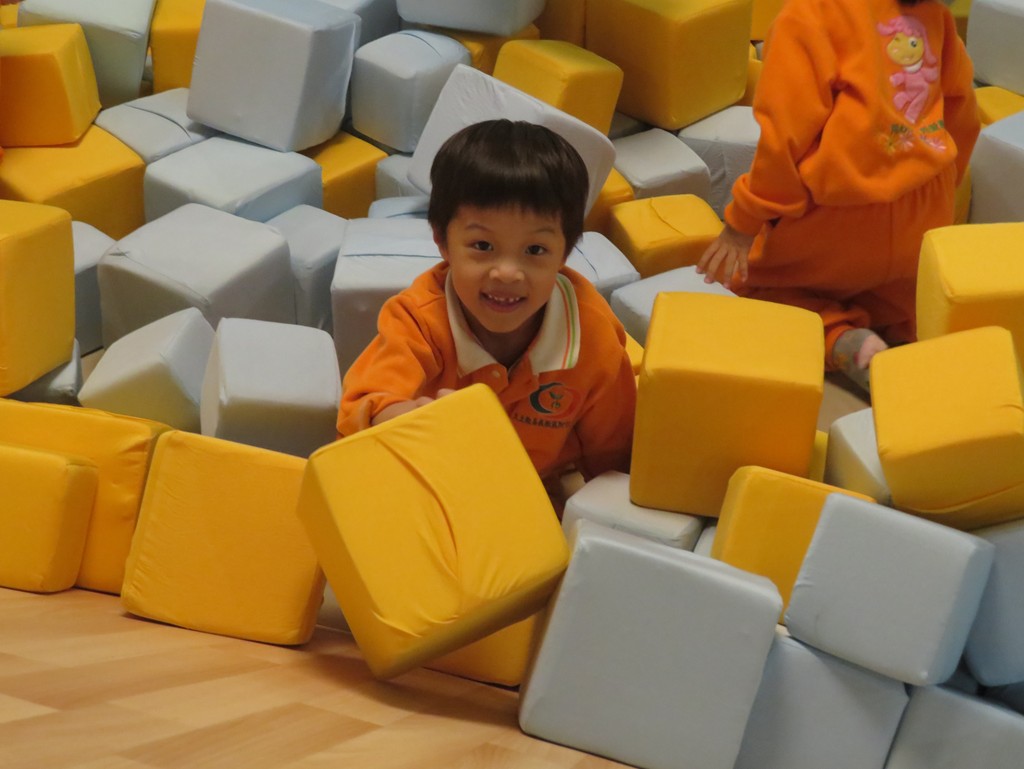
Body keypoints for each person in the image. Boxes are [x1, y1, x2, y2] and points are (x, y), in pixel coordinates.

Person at [337, 119, 636, 494]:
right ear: (442, 242)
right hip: (443, 479)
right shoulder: (418, 317)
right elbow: (362, 406)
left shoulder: (592, 333)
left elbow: (613, 452)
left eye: (535, 250)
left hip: (538, 486)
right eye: (482, 246)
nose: (507, 273)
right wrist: (403, 417)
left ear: (565, 253)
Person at [697, 0, 980, 392]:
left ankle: (841, 339)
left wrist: (743, 223)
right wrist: (942, 190)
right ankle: (906, 338)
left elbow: (785, 136)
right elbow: (964, 114)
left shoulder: (811, 13)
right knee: (898, 297)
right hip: (925, 207)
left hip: (843, 211)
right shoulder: (935, 16)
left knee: (754, 288)